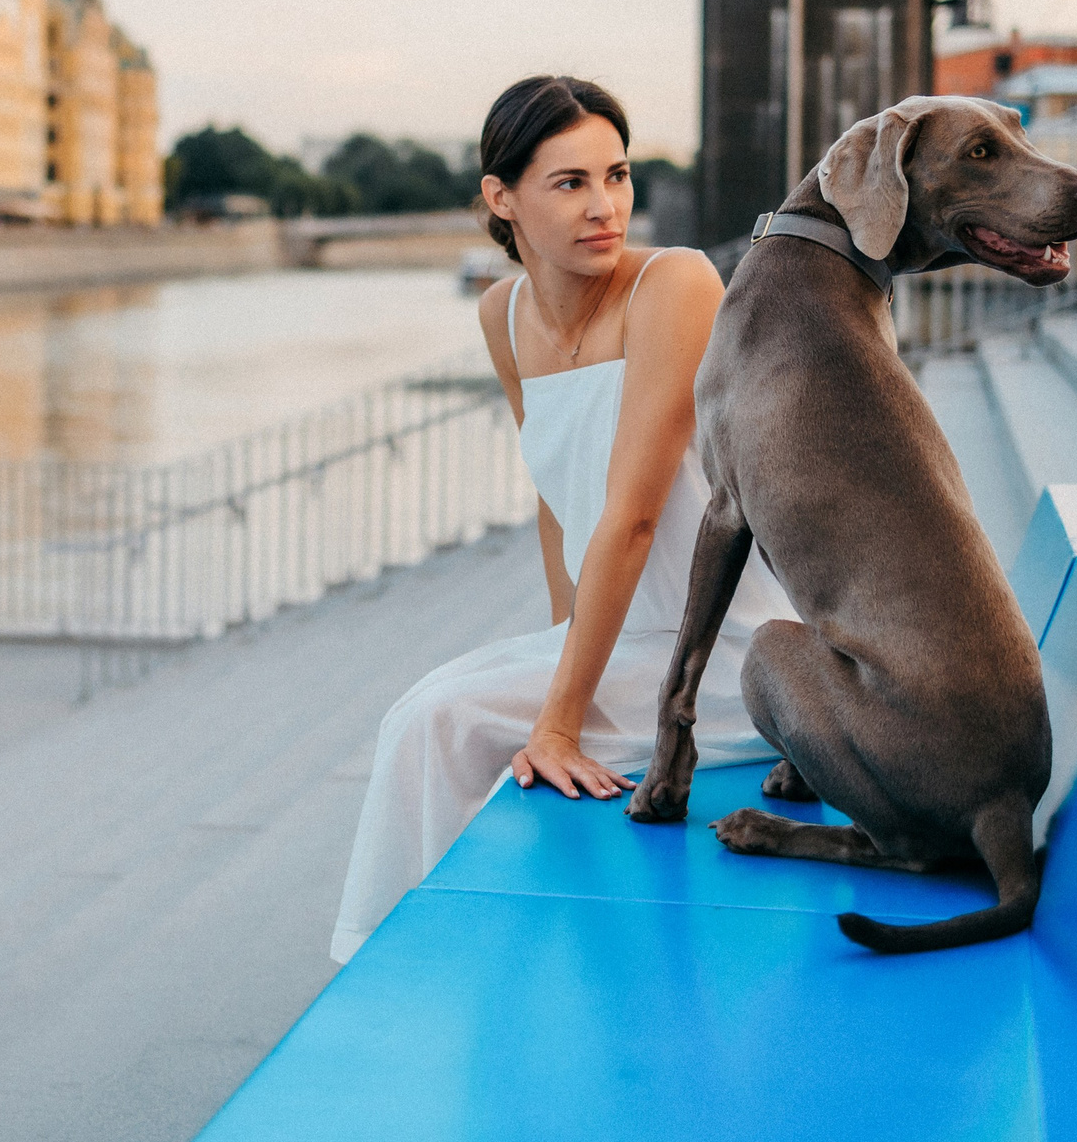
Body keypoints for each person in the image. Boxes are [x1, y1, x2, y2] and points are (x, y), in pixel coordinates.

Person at [329, 75, 797, 963]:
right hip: (625, 636)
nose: (604, 206)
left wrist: (563, 712)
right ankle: (429, 954)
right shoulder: (501, 314)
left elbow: (628, 519)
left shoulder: (676, 282)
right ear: (501, 199)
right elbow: (557, 504)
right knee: (432, 718)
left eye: (616, 176)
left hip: (727, 652)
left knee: (440, 719)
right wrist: (562, 653)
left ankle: (407, 964)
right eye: (570, 183)